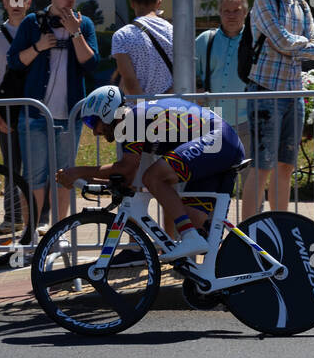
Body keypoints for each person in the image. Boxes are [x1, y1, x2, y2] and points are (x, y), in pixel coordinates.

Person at [58, 85, 245, 263]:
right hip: (220, 142)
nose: (94, 132)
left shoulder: (133, 119)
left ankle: (189, 236)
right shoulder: (132, 122)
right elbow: (125, 178)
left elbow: (124, 168)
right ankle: (210, 282)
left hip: (219, 140)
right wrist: (81, 180)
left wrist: (77, 171)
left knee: (153, 177)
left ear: (106, 113)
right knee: (195, 223)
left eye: (92, 122)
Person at [6, 0, 100, 227]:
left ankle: (59, 233)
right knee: (35, 176)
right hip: (35, 114)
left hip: (70, 116)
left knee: (65, 176)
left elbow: (91, 65)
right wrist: (38, 47)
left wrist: (75, 32)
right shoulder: (32, 22)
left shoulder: (84, 23)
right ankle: (33, 234)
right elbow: (14, 61)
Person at [241, 0, 314, 221]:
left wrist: (295, 44)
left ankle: (280, 228)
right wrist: (301, 44)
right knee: (262, 166)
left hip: (293, 94)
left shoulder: (301, 4)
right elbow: (279, 40)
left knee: (286, 166)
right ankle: (249, 232)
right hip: (264, 92)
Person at [195, 0, 251, 161]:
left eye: (236, 11)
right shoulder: (204, 39)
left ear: (245, 13)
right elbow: (190, 72)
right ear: (219, 12)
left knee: (249, 174)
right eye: (226, 11)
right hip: (211, 118)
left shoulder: (254, 41)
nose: (231, 15)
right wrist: (196, 89)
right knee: (212, 171)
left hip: (246, 117)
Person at [0, 0, 32, 178]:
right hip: (8, 106)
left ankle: (34, 208)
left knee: (36, 167)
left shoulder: (37, 32)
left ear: (28, 3)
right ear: (4, 3)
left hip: (34, 105)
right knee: (11, 167)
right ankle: (13, 209)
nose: (16, 4)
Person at [110, 0, 173, 96]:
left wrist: (147, 107)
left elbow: (130, 82)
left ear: (132, 3)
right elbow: (182, 78)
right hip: (171, 110)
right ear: (158, 3)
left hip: (138, 111)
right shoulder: (174, 32)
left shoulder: (122, 36)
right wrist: (162, 103)